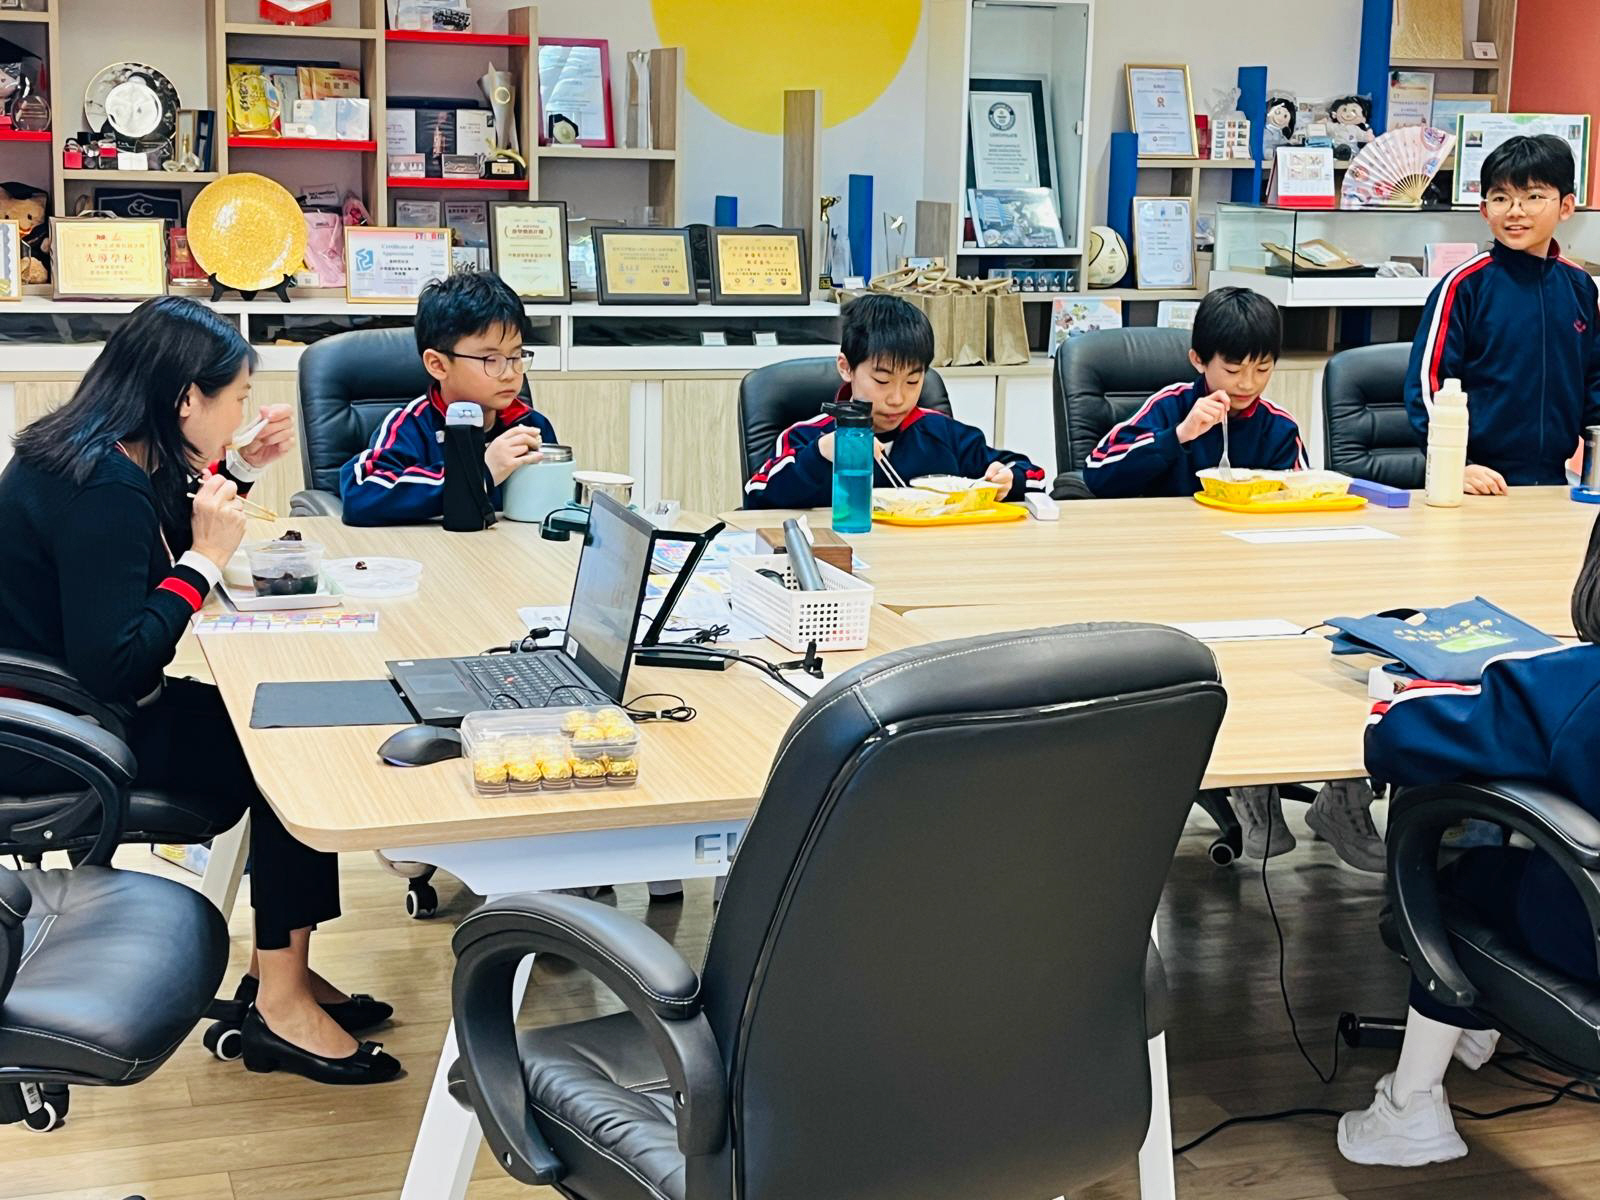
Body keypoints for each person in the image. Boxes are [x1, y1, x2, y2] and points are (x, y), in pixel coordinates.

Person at [0, 296, 401, 1086]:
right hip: (60, 734)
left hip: (51, 706)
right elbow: (120, 661)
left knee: (283, 728)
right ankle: (281, 999)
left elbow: (143, 543)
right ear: (187, 398)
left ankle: (279, 971)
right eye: (238, 399)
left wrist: (236, 472)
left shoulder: (93, 452)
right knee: (288, 751)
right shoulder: (101, 486)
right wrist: (205, 563)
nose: (242, 414)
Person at [1338, 512, 1600, 1165]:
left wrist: (1419, 688)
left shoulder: (1577, 685)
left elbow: (1399, 736)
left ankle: (1410, 1109)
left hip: (1583, 945)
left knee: (1455, 889)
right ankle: (1473, 1026)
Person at [1405, 134, 1600, 495]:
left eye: (1534, 197)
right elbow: (1427, 385)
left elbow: (1594, 383)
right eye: (1500, 198)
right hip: (1476, 481)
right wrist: (1456, 464)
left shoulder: (1579, 286)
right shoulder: (1464, 285)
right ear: (1484, 210)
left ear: (1566, 206)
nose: (1515, 211)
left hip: (1554, 484)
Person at [744, 293, 1045, 507]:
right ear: (846, 368)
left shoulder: (943, 433)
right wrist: (821, 454)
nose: (898, 398)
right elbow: (756, 497)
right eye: (882, 381)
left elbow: (1034, 476)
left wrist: (1010, 479)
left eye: (913, 381)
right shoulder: (810, 436)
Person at [339, 270, 558, 526]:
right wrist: (480, 473)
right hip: (435, 549)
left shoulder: (531, 425)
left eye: (516, 356)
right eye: (491, 359)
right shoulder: (411, 426)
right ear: (438, 365)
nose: (510, 373)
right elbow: (360, 493)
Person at [1083, 286, 1307, 499]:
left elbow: (1303, 495)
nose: (1248, 384)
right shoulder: (1169, 405)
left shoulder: (1279, 427)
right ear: (1198, 360)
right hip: (1170, 525)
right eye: (1233, 370)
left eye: (1262, 369)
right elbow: (1096, 473)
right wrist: (1178, 435)